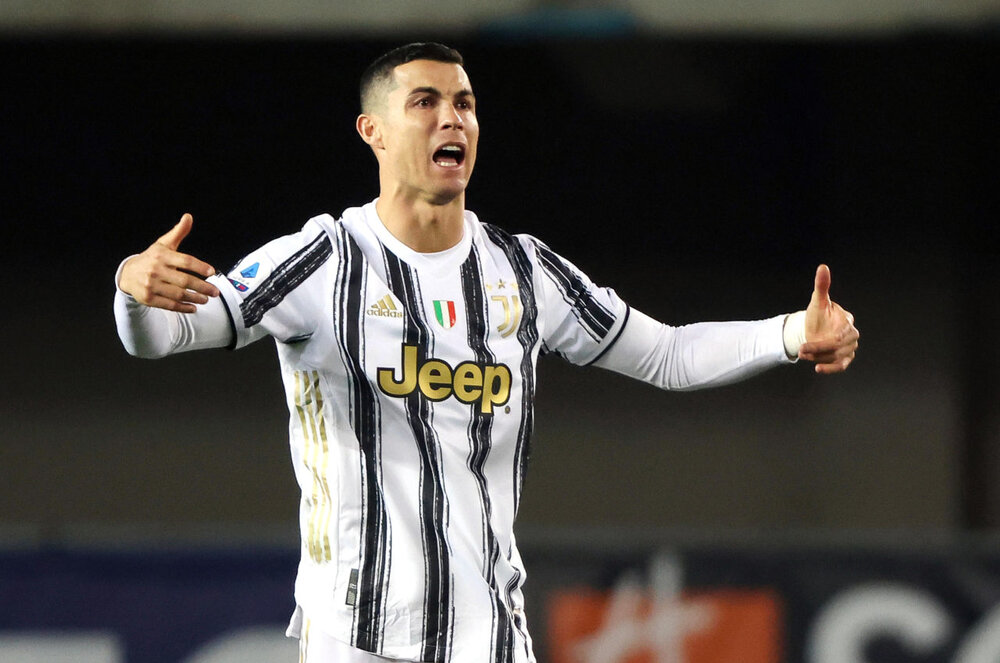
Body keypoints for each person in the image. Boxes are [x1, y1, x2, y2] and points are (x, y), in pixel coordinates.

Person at [114, 42, 858, 663]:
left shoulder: (523, 271)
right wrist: (132, 289)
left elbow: (665, 353)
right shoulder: (323, 261)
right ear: (372, 131)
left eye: (464, 103)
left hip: (491, 636)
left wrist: (790, 333)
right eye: (425, 102)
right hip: (355, 636)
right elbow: (166, 335)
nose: (452, 118)